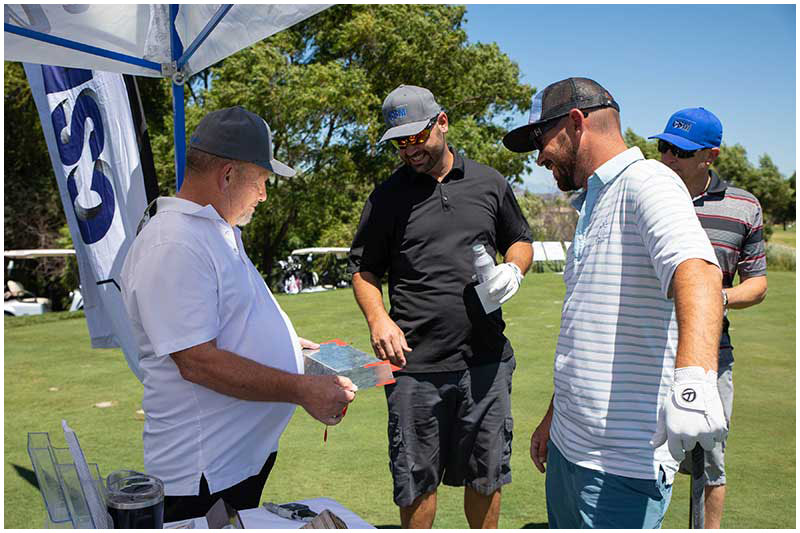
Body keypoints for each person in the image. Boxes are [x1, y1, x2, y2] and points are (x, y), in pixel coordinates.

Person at [502, 78, 728, 528]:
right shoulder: (596, 200)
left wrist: (694, 380)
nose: (539, 156)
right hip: (570, 449)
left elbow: (699, 271)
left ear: (576, 123)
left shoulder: (649, 181)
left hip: (623, 465)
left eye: (541, 139)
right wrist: (553, 418)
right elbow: (586, 329)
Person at [120, 106, 356, 522]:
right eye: (261, 180)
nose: (264, 194)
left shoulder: (214, 230)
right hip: (204, 473)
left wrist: (290, 346)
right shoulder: (174, 242)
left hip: (233, 462)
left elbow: (227, 322)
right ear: (228, 175)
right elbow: (197, 362)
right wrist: (301, 389)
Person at [348, 85, 533, 528]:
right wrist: (378, 319)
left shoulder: (489, 182)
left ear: (442, 122)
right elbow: (364, 270)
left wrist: (514, 268)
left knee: (486, 475)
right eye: (399, 142)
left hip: (485, 360)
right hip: (414, 366)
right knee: (416, 481)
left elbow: (520, 239)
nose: (409, 149)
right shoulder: (386, 196)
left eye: (416, 137)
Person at [649, 107, 767, 528]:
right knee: (640, 457)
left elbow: (757, 284)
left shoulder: (743, 207)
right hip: (644, 351)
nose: (668, 158)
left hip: (711, 356)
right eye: (664, 147)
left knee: (710, 463)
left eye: (681, 151)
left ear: (710, 156)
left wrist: (711, 297)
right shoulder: (647, 195)